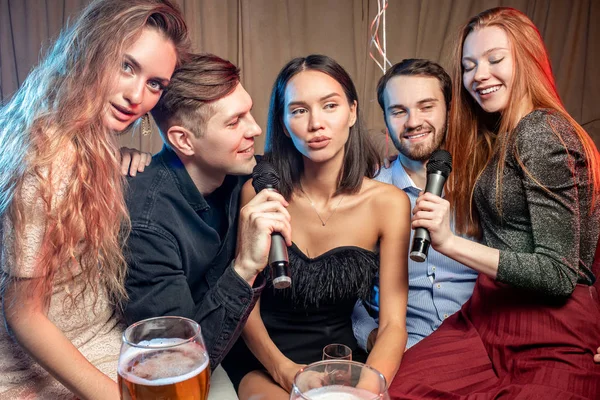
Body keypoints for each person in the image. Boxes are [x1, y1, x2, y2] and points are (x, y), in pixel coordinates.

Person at [388, 7, 600, 399]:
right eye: (468, 66)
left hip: (546, 329)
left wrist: (449, 243)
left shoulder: (542, 132)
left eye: (494, 59)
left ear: (527, 58)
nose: (479, 74)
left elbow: (559, 273)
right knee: (402, 387)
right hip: (488, 316)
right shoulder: (498, 136)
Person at [0, 0, 189, 398]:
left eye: (155, 84)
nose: (137, 96)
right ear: (91, 49)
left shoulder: (82, 139)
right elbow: (23, 314)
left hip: (101, 340)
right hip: (36, 367)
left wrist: (114, 161)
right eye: (127, 66)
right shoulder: (48, 155)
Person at [222, 54, 411, 399]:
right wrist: (285, 372)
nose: (316, 124)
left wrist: (369, 387)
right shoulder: (260, 191)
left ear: (352, 111)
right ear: (281, 123)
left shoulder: (390, 204)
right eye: (298, 110)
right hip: (264, 359)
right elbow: (243, 301)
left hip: (338, 360)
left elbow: (393, 325)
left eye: (330, 106)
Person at [123, 54, 291, 380]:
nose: (255, 129)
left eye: (249, 113)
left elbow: (271, 164)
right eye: (234, 122)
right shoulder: (146, 226)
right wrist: (244, 268)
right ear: (183, 140)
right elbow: (176, 364)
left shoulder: (235, 173)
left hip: (237, 355)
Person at [352, 59, 478, 352]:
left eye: (426, 106)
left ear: (449, 108)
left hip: (479, 345)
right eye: (399, 111)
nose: (412, 122)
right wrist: (370, 336)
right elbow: (345, 290)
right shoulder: (368, 193)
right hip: (407, 351)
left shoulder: (483, 183)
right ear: (385, 118)